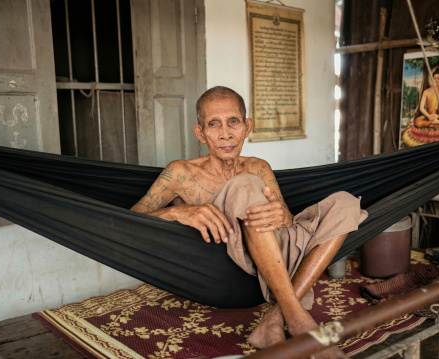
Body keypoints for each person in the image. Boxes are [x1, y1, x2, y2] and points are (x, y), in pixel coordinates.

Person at [131, 86, 367, 358]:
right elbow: (131, 220)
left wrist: (280, 215)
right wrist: (178, 213)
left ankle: (276, 318)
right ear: (201, 133)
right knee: (244, 185)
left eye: (233, 122)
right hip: (223, 260)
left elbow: (288, 224)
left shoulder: (259, 167)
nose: (225, 133)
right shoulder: (180, 173)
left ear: (247, 126)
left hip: (272, 251)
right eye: (213, 124)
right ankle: (298, 318)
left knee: (346, 202)